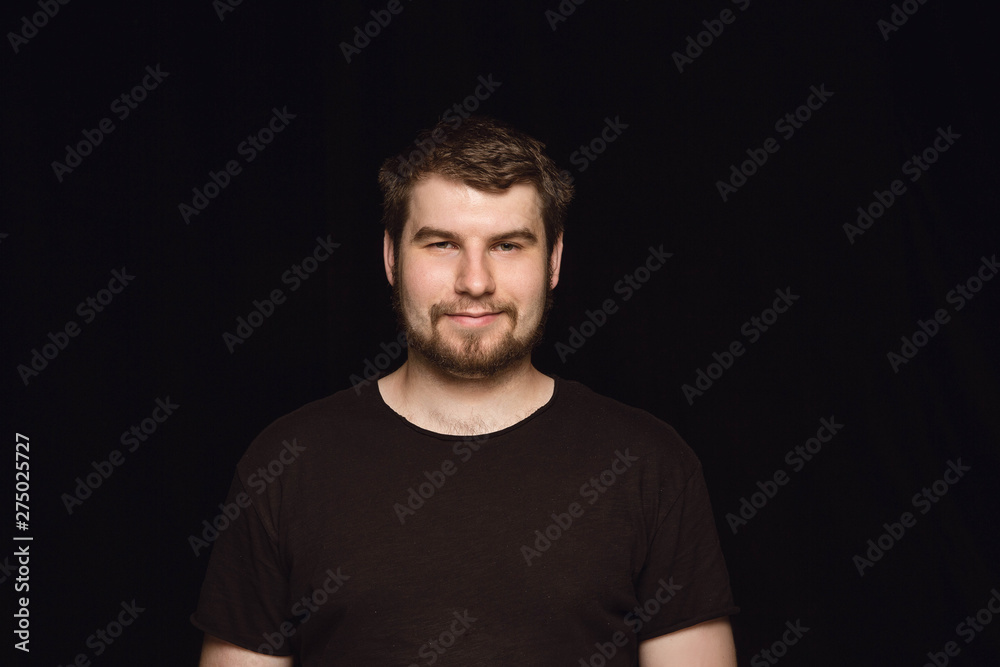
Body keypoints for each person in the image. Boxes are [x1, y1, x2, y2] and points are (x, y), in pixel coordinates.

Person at [192, 115, 739, 665]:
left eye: (507, 245)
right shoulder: (286, 465)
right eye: (441, 244)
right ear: (390, 258)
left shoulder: (650, 465)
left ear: (552, 261)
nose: (474, 282)